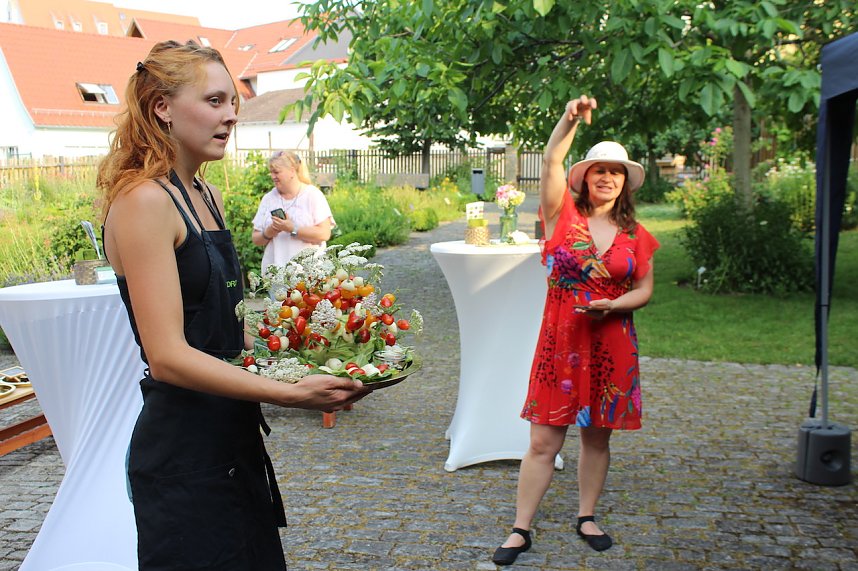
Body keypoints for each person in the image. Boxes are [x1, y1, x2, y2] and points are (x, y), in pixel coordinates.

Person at [97, 40, 367, 570]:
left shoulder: (206, 196)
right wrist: (286, 395)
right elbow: (168, 355)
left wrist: (316, 357)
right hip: (183, 453)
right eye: (215, 101)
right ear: (163, 108)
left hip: (232, 439)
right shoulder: (143, 201)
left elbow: (226, 326)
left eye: (232, 103)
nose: (231, 116)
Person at [492, 95, 659, 565]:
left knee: (597, 437)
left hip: (612, 344)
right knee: (544, 441)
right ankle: (521, 527)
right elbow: (551, 159)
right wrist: (568, 119)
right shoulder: (561, 213)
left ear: (625, 182)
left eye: (616, 171)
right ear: (584, 176)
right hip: (561, 343)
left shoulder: (636, 234)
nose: (607, 176)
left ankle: (587, 515)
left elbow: (644, 288)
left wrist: (616, 303)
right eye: (598, 169)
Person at [252, 150, 334, 273]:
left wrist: (292, 228)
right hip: (278, 278)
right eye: (271, 172)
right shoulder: (269, 198)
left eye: (276, 172)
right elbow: (256, 239)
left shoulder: (313, 195)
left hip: (310, 276)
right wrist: (270, 231)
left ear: (291, 171)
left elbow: (324, 234)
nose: (272, 176)